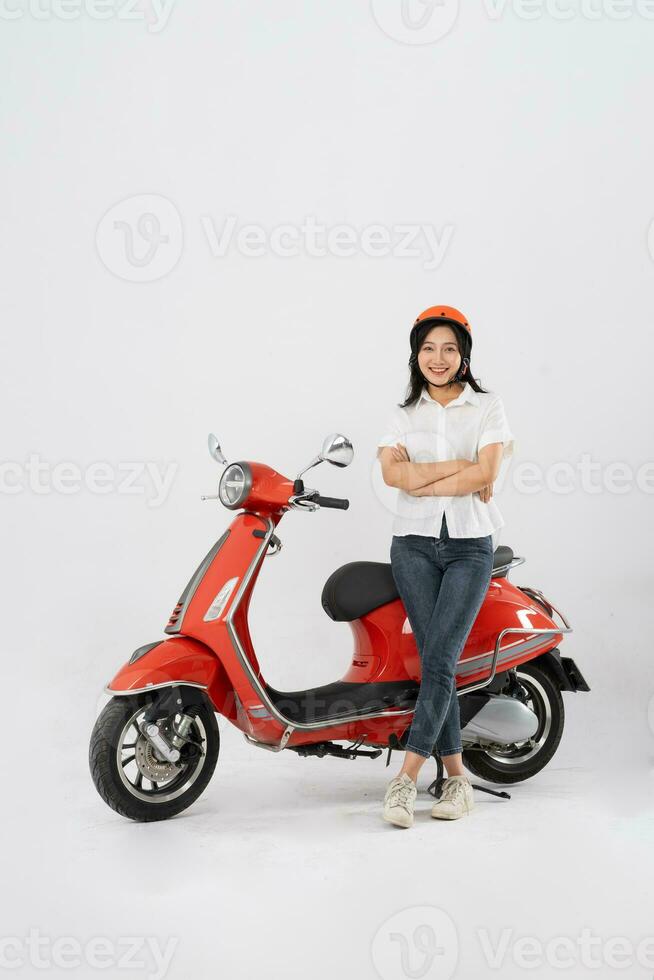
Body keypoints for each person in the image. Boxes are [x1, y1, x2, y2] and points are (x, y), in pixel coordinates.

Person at [376, 305, 515, 828]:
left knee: (439, 658)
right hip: (411, 544)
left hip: (469, 544)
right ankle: (456, 776)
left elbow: (489, 469)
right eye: (429, 348)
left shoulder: (487, 406)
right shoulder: (401, 413)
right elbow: (394, 477)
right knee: (438, 661)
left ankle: (405, 778)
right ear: (416, 353)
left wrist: (422, 474)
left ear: (464, 356)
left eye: (449, 348)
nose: (439, 358)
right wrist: (463, 468)